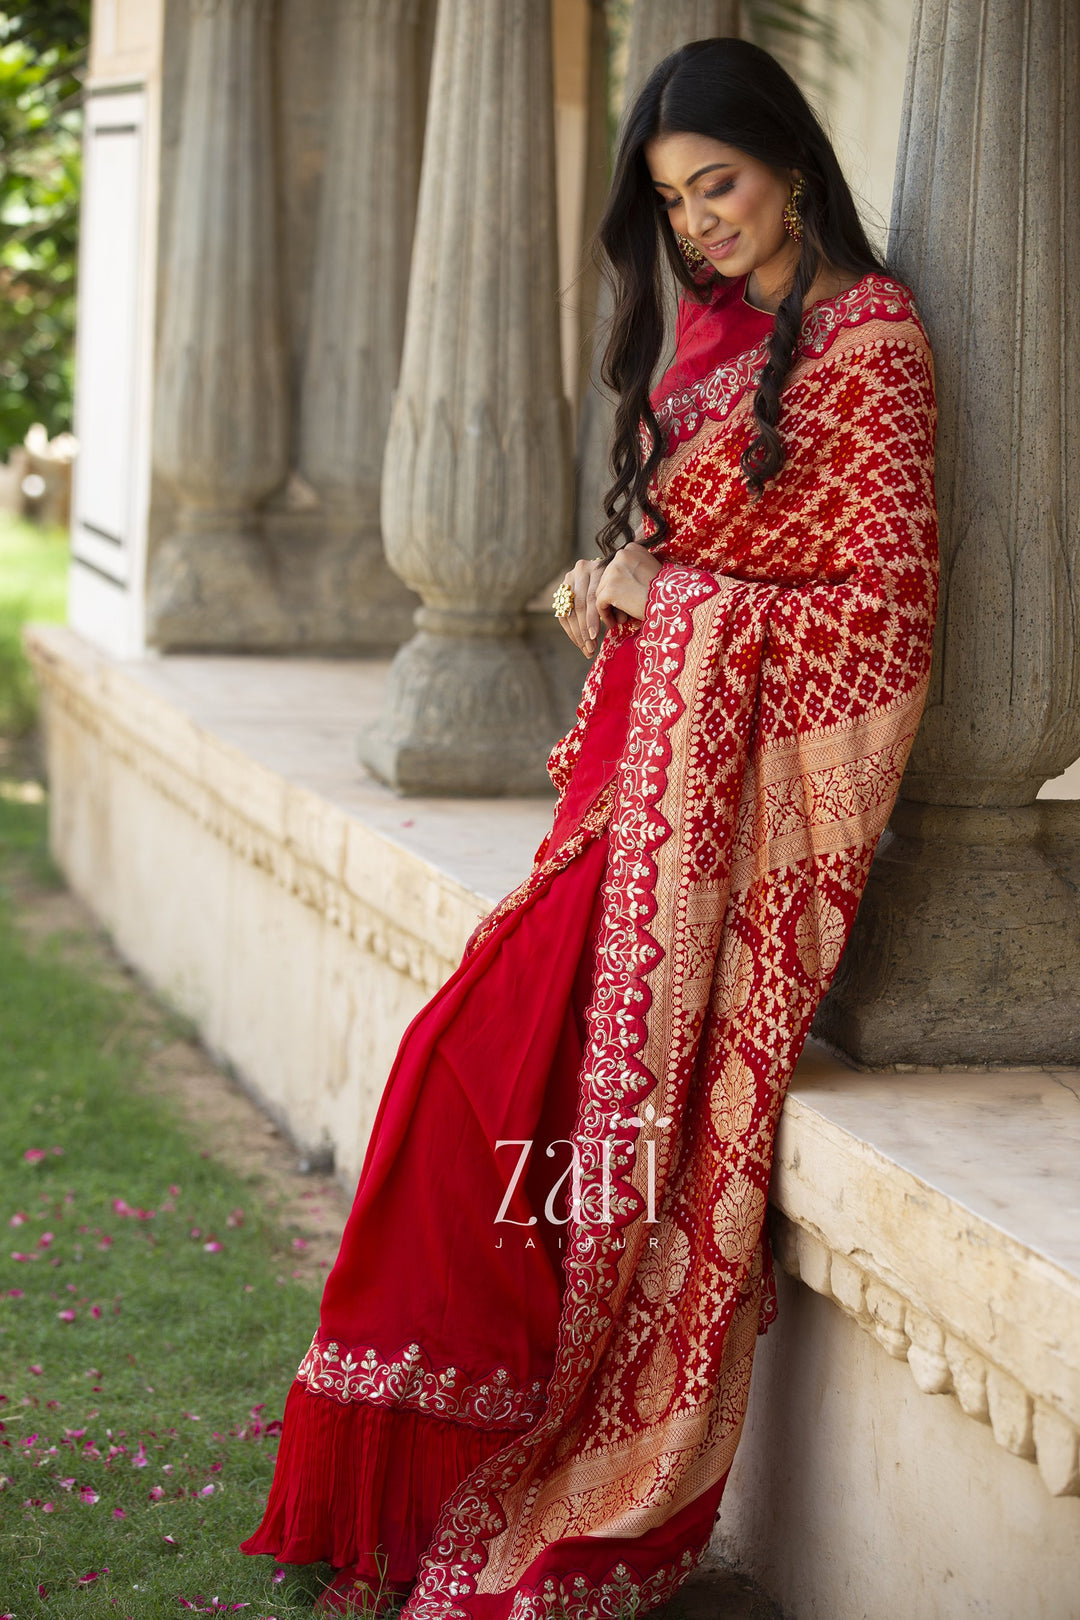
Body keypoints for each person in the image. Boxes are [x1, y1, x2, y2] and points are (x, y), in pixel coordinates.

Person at [241, 35, 939, 1619]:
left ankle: (530, 1456)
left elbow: (885, 618)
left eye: (719, 185)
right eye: (674, 203)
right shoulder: (723, 336)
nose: (699, 225)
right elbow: (703, 556)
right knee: (455, 1081)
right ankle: (436, 1473)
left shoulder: (878, 345)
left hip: (723, 842)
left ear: (794, 166)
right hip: (638, 808)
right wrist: (622, 594)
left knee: (487, 1098)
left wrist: (669, 603)